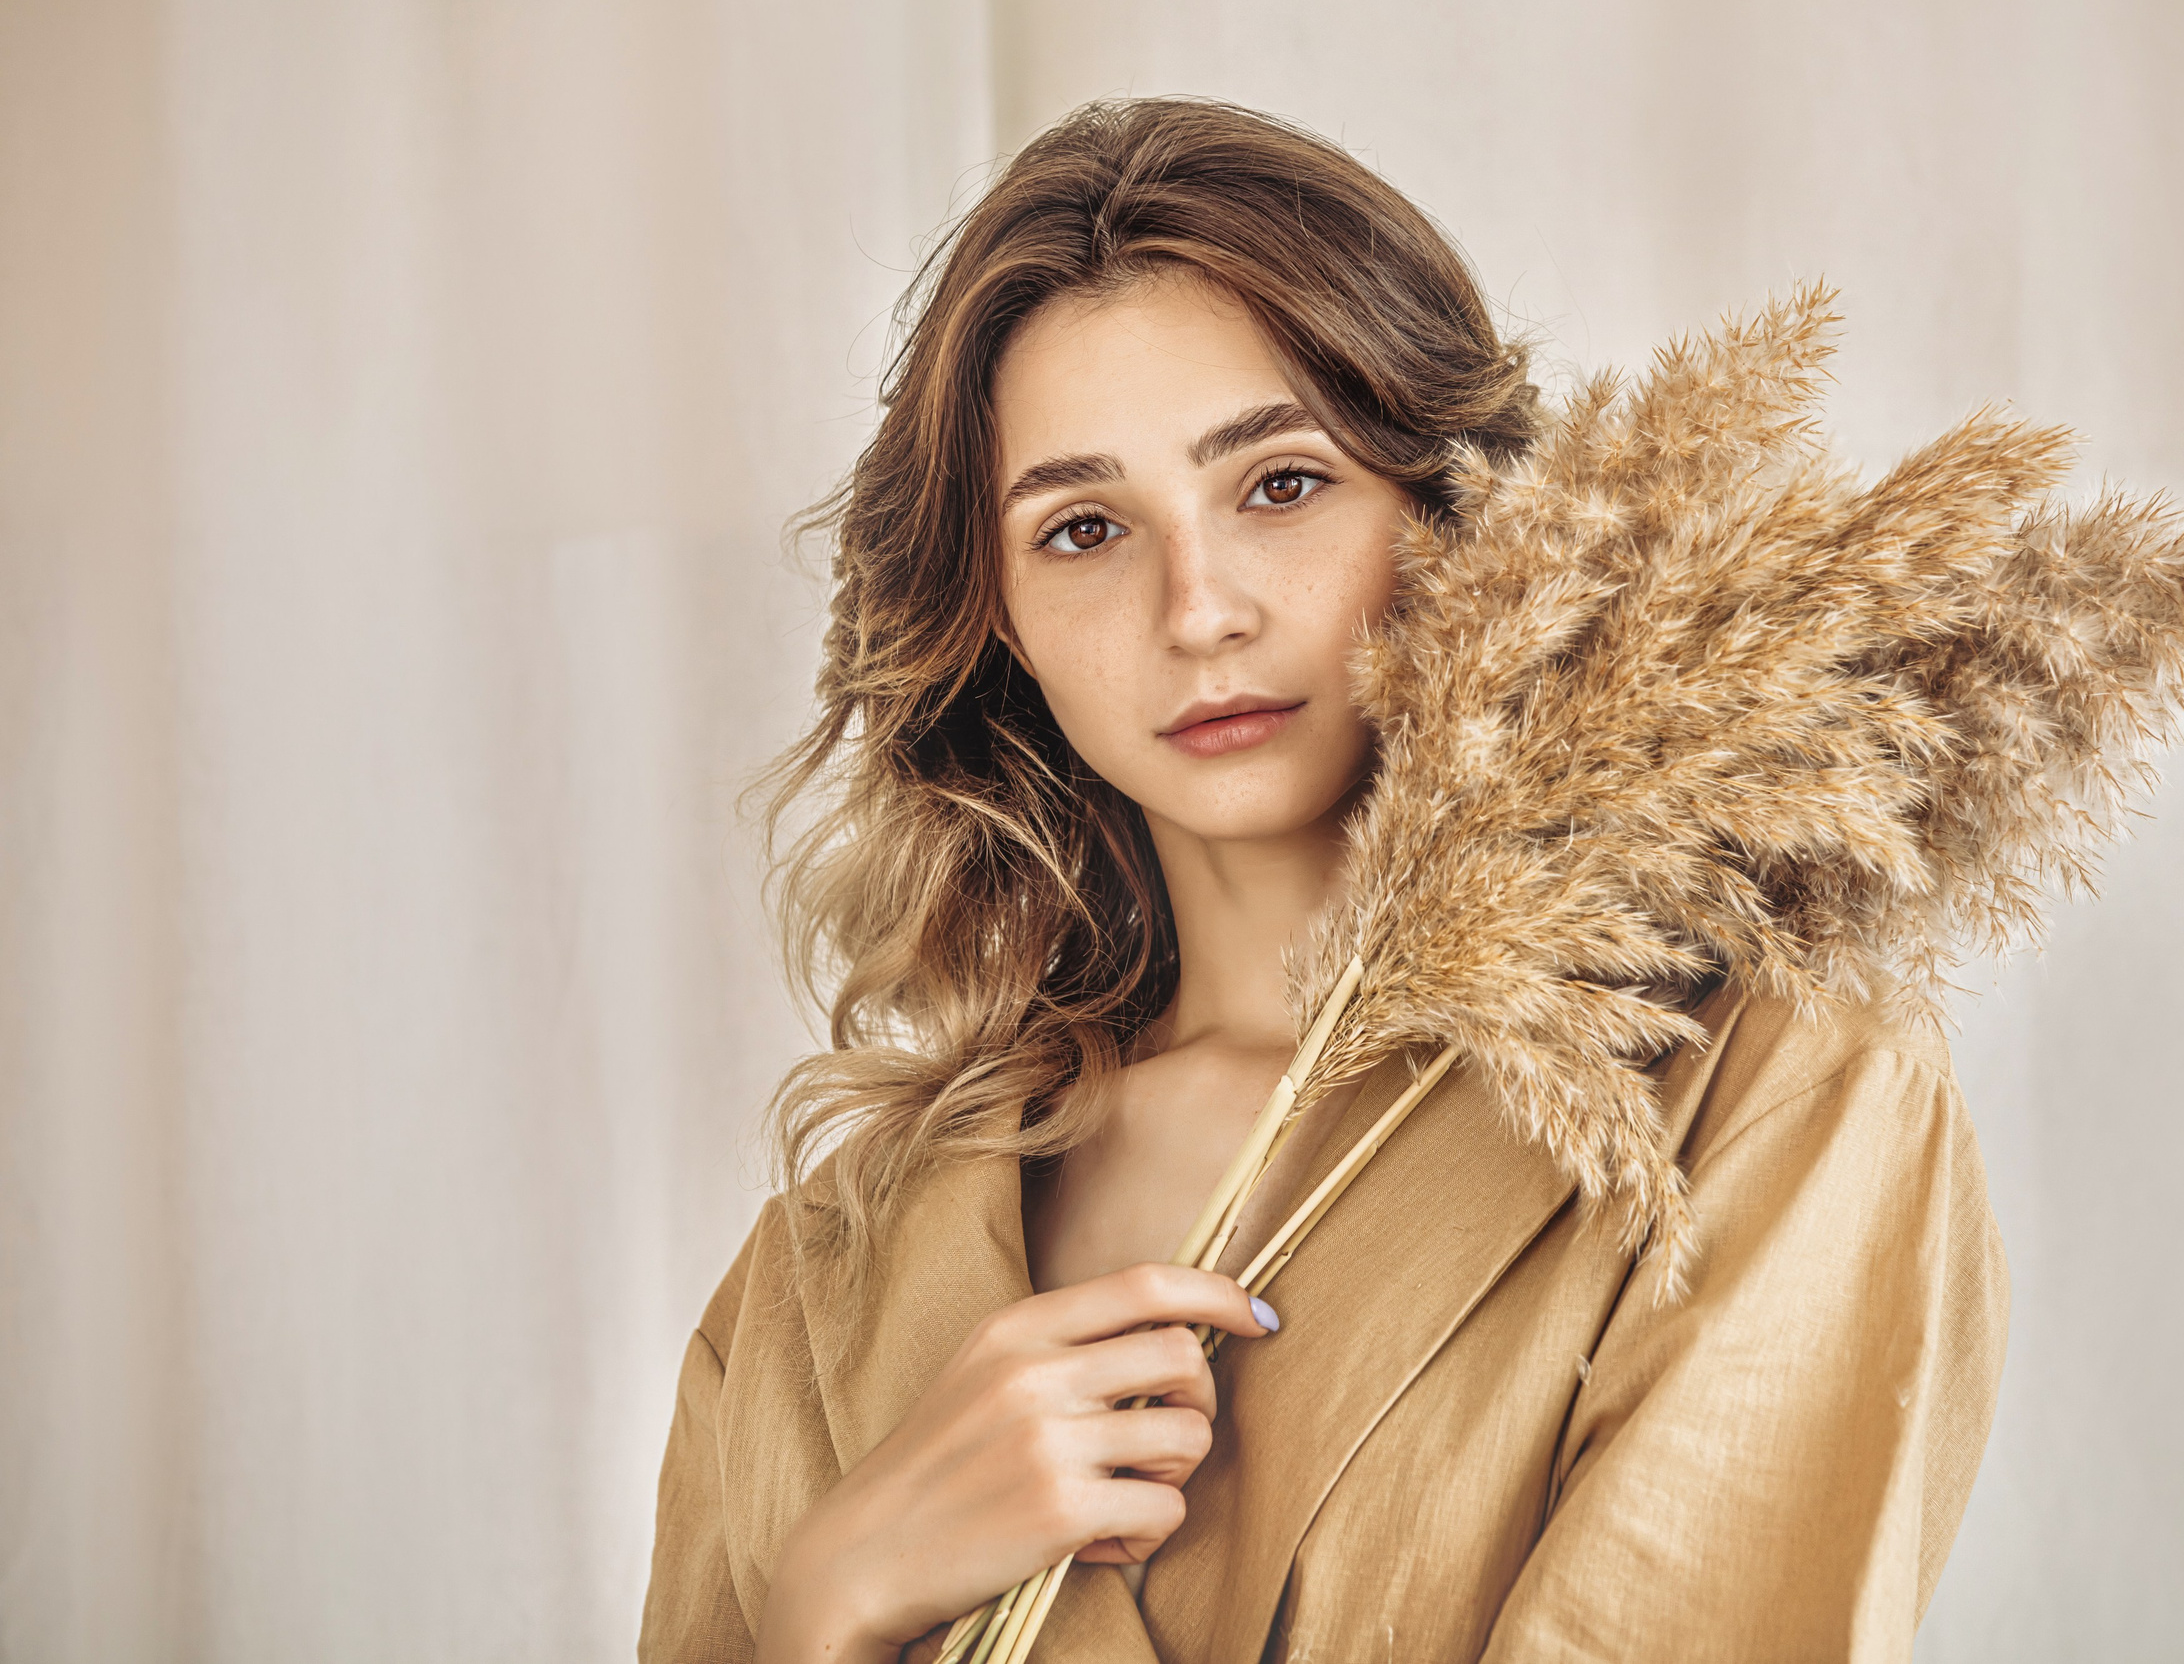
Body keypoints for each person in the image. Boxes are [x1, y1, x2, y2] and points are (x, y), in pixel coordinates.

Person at [640, 97, 2008, 1663]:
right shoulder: (822, 1279)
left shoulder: (1770, 1100)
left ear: (1457, 509)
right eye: (1084, 527)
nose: (1200, 606)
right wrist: (836, 1597)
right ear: (998, 620)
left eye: (1281, 484)